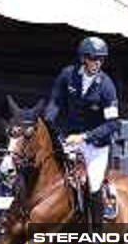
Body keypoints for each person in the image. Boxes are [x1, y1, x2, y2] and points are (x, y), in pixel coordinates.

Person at [45, 35, 120, 221]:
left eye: (101, 59)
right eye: (93, 58)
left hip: (96, 145)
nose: (97, 62)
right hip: (70, 139)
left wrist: (85, 137)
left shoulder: (107, 87)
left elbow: (113, 124)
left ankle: (96, 236)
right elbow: (55, 102)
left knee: (93, 185)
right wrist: (48, 122)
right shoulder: (67, 75)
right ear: (83, 58)